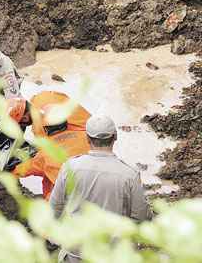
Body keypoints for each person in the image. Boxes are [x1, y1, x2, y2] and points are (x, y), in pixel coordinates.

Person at [49, 115, 153, 262]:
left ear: (87, 138)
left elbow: (55, 208)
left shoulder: (70, 168)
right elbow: (141, 216)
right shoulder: (129, 175)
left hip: (77, 251)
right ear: (115, 137)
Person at [10, 91, 92, 199]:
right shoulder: (41, 97)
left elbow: (35, 164)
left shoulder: (43, 143)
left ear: (24, 118)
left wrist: (11, 171)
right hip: (88, 136)